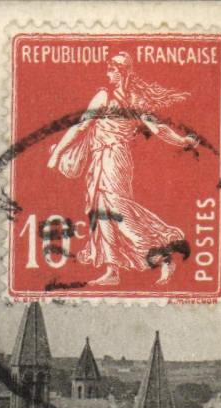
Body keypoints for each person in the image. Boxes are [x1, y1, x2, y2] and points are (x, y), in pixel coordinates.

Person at [47, 52, 197, 285]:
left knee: (118, 211)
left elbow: (157, 129)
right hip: (101, 159)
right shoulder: (115, 97)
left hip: (114, 159)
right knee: (100, 212)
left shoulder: (119, 98)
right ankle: (112, 270)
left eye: (111, 70)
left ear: (120, 72)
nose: (108, 74)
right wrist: (184, 141)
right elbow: (82, 127)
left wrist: (183, 141)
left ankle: (162, 254)